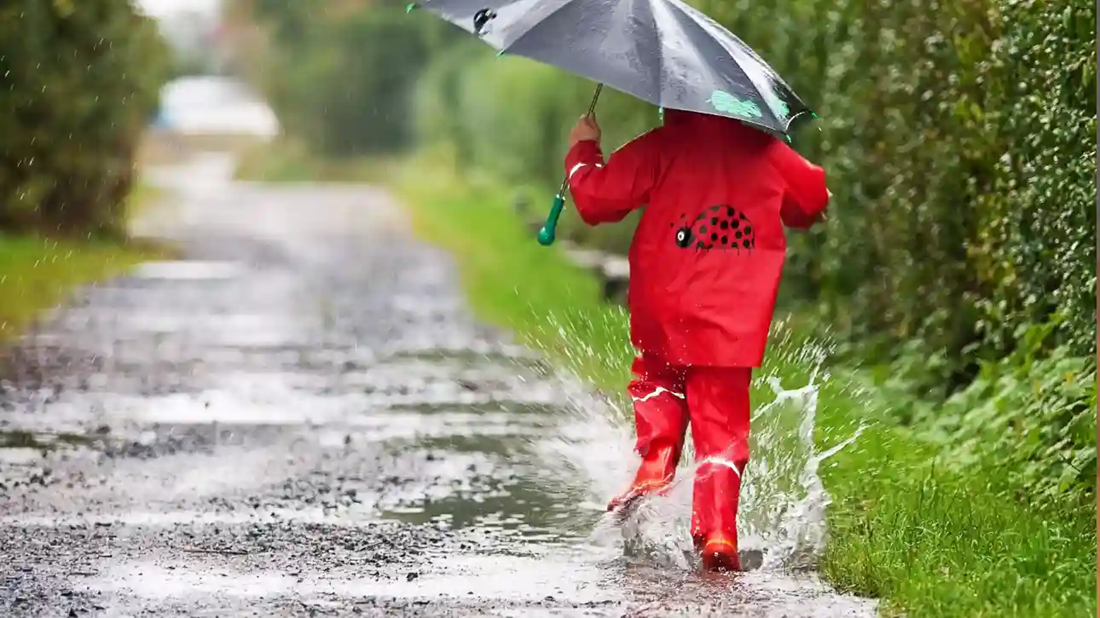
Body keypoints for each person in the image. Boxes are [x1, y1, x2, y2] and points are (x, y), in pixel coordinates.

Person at [564, 107, 830, 572]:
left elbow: (596, 200)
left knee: (658, 379)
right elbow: (810, 201)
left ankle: (656, 461)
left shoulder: (661, 147)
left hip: (665, 304)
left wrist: (583, 150)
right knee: (722, 426)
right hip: (732, 319)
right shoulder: (766, 153)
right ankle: (719, 533)